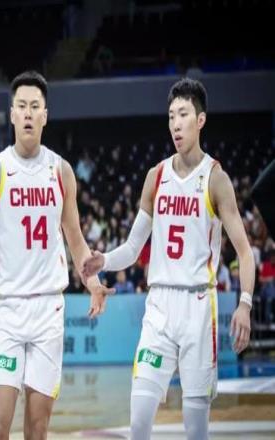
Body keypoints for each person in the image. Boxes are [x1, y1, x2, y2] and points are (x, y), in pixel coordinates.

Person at [0, 71, 112, 439]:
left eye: (35, 107)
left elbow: (76, 240)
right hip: (9, 310)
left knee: (37, 428)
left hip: (48, 309)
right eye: (22, 106)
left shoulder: (61, 171)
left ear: (46, 115)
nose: (28, 113)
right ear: (11, 114)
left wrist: (93, 282)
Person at [83, 78, 254, 440]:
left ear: (200, 120)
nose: (176, 124)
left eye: (184, 115)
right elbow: (133, 247)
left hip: (198, 306)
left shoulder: (216, 179)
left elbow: (244, 251)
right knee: (139, 422)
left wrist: (245, 304)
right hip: (159, 307)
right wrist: (104, 261)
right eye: (171, 116)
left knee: (195, 431)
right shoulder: (156, 176)